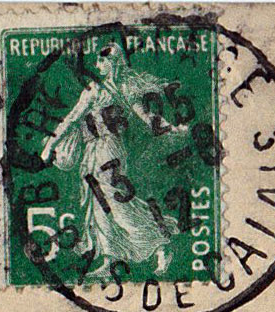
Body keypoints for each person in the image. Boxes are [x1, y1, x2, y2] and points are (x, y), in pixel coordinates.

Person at [37, 38, 180, 281]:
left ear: (111, 63)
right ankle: (110, 258)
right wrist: (169, 127)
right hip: (99, 151)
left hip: (106, 150)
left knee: (114, 202)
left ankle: (159, 243)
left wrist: (50, 145)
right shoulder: (111, 90)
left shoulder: (100, 91)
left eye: (101, 61)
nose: (97, 64)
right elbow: (147, 118)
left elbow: (72, 119)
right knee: (99, 204)